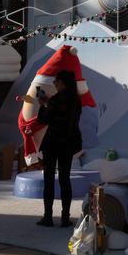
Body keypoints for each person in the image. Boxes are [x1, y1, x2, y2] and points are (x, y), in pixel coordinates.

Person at [36, 70, 82, 228]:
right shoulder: (76, 100)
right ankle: (65, 217)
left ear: (63, 83)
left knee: (49, 180)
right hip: (68, 143)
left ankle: (48, 217)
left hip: (52, 143)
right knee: (65, 180)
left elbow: (44, 119)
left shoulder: (55, 100)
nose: (54, 83)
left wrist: (43, 105)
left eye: (56, 81)